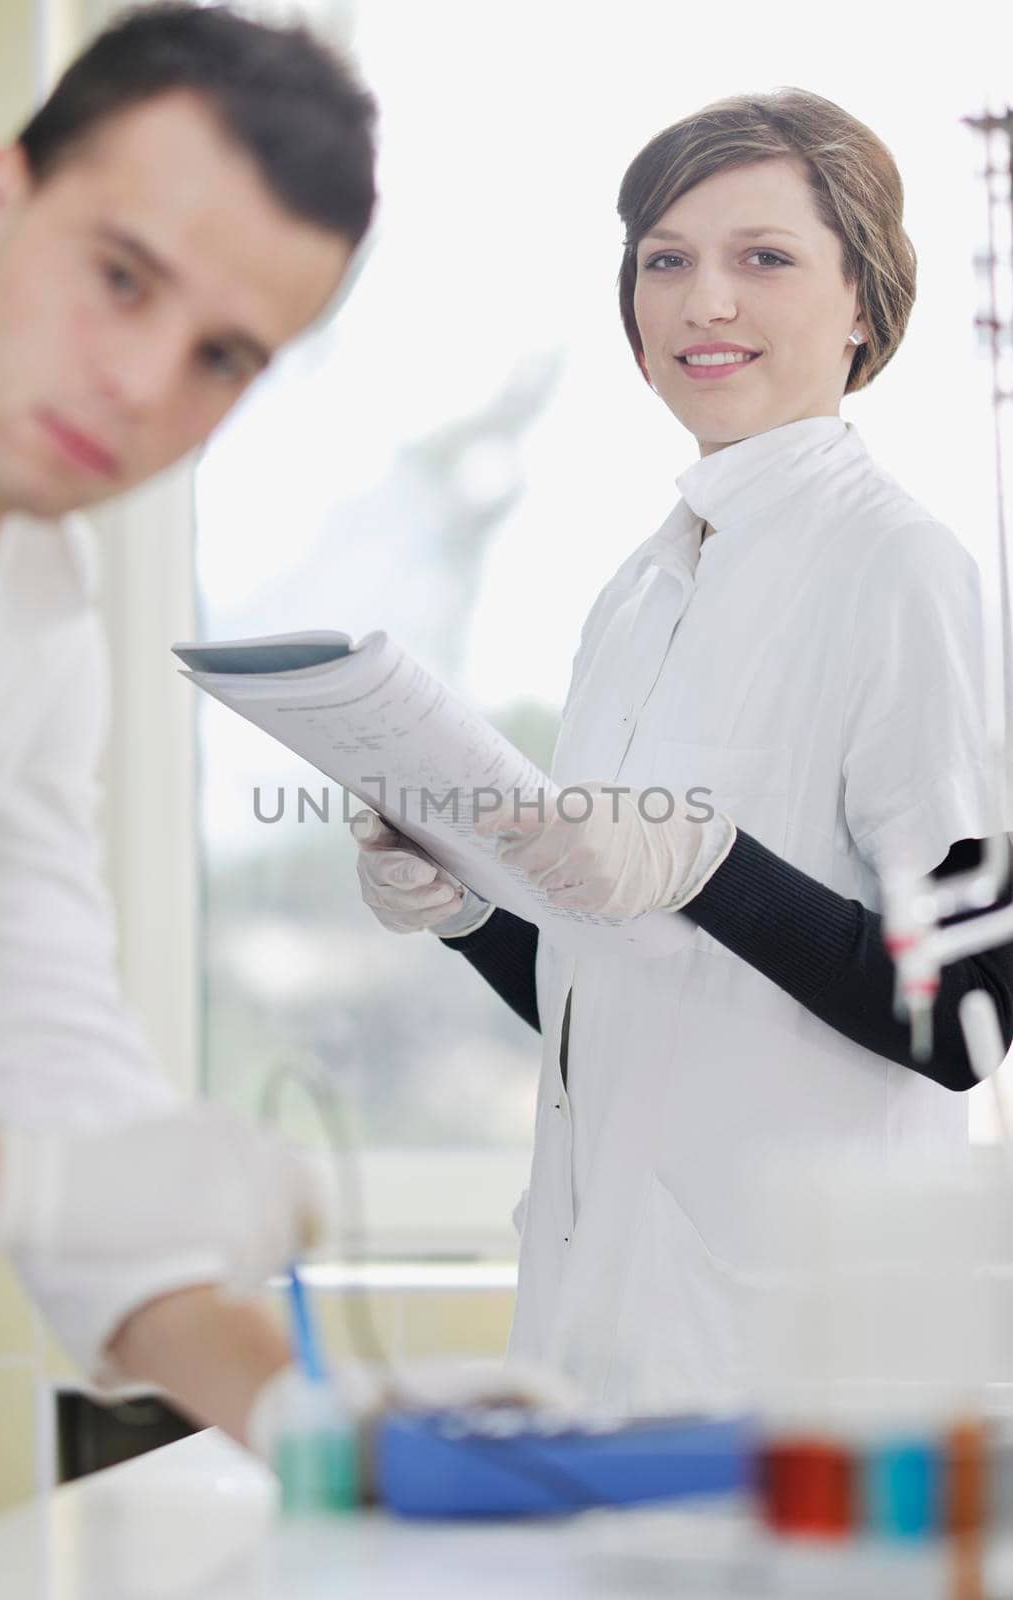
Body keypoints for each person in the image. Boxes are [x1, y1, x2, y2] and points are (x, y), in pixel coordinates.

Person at [352, 87, 1013, 1412]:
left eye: (763, 257)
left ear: (864, 305)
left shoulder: (900, 568)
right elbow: (616, 1008)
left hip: (798, 1367)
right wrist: (472, 910)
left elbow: (967, 1014)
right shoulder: (639, 595)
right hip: (597, 1335)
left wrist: (704, 860)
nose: (703, 300)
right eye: (666, 260)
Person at [0, 0, 377, 1448]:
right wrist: (36, 1189)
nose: (141, 386)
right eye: (121, 278)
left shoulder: (34, 615)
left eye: (222, 358)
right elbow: (59, 1174)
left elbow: (47, 1056)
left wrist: (342, 1433)